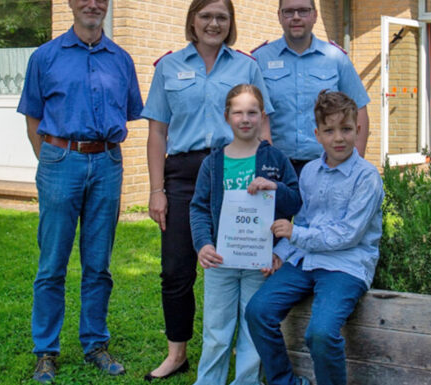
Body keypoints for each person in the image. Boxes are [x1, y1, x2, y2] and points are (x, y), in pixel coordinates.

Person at [142, 0, 274, 380]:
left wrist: (264, 178)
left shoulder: (247, 66)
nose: (213, 23)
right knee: (176, 269)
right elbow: (157, 132)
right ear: (192, 20)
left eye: (221, 17)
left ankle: (240, 349)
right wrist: (156, 189)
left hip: (235, 172)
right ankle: (177, 353)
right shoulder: (169, 66)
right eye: (206, 16)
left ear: (230, 23)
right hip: (183, 175)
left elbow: (262, 125)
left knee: (239, 263)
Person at [17, 0, 143, 383]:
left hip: (107, 163)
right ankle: (45, 351)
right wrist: (52, 161)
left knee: (98, 263)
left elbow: (130, 111)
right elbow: (33, 117)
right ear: (71, 3)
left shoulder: (121, 60)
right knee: (52, 263)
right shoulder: (45, 57)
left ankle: (95, 344)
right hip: (60, 161)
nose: (93, 4)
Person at [245, 90, 384, 385]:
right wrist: (281, 252)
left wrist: (295, 233)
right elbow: (305, 220)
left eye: (346, 129)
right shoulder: (309, 172)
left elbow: (348, 235)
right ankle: (285, 382)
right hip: (305, 260)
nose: (339, 138)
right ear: (317, 134)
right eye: (329, 131)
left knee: (320, 333)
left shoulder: (367, 177)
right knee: (257, 311)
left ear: (358, 129)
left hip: (346, 265)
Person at [189, 84, 301, 385]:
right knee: (216, 330)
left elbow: (295, 201)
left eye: (252, 112)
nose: (245, 119)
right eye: (238, 112)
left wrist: (275, 188)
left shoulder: (276, 160)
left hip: (258, 261)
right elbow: (199, 208)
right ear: (227, 116)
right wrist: (203, 244)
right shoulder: (213, 163)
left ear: (262, 116)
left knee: (252, 330)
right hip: (220, 260)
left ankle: (247, 381)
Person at [252, 0, 371, 175]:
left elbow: (359, 108)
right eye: (288, 12)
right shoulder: (260, 59)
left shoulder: (336, 59)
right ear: (279, 16)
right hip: (276, 167)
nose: (296, 17)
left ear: (315, 15)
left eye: (303, 11)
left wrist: (355, 165)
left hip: (327, 166)